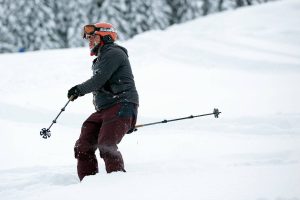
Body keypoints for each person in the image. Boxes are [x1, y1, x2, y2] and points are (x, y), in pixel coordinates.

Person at [67, 22, 139, 181]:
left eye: (93, 37)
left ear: (106, 36)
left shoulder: (114, 53)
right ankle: (88, 185)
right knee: (84, 145)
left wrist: (79, 89)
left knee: (106, 144)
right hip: (105, 110)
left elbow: (99, 80)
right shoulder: (100, 59)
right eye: (89, 39)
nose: (90, 42)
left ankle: (116, 184)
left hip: (122, 103)